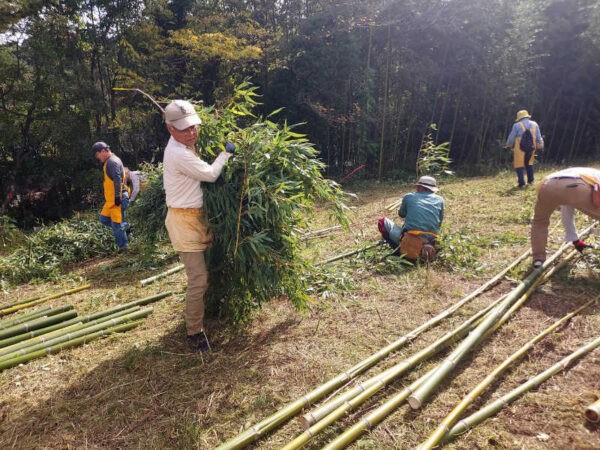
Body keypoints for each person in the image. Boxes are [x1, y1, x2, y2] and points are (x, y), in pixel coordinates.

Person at [162, 99, 236, 353]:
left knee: (211, 269)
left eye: (194, 127)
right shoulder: (178, 153)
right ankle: (194, 332)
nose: (191, 132)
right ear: (170, 128)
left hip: (199, 218)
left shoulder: (185, 145)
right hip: (183, 223)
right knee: (199, 279)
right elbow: (211, 174)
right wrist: (226, 153)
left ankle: (211, 309)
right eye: (184, 129)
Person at [531, 167, 598, 268]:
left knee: (540, 222)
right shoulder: (595, 175)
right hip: (578, 186)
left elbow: (566, 209)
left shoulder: (581, 172)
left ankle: (538, 259)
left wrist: (575, 240)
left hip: (547, 186)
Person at [377, 175, 445, 262]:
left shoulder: (409, 197)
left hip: (411, 240)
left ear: (419, 187)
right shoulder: (440, 200)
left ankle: (401, 252)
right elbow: (439, 222)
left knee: (382, 221)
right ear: (432, 189)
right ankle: (425, 251)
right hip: (432, 239)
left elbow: (401, 214)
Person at [92, 141, 130, 252]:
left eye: (97, 155)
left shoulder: (112, 162)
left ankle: (123, 247)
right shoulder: (110, 161)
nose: (97, 158)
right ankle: (125, 226)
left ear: (103, 151)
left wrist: (118, 197)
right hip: (111, 200)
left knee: (116, 224)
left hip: (116, 199)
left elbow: (117, 179)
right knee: (103, 219)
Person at [506, 109, 544, 188]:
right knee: (529, 163)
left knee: (519, 164)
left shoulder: (516, 125)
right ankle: (531, 181)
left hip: (520, 148)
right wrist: (540, 145)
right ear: (527, 116)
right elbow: (539, 137)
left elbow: (511, 138)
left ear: (519, 118)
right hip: (531, 148)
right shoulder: (535, 124)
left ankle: (521, 183)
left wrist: (508, 145)